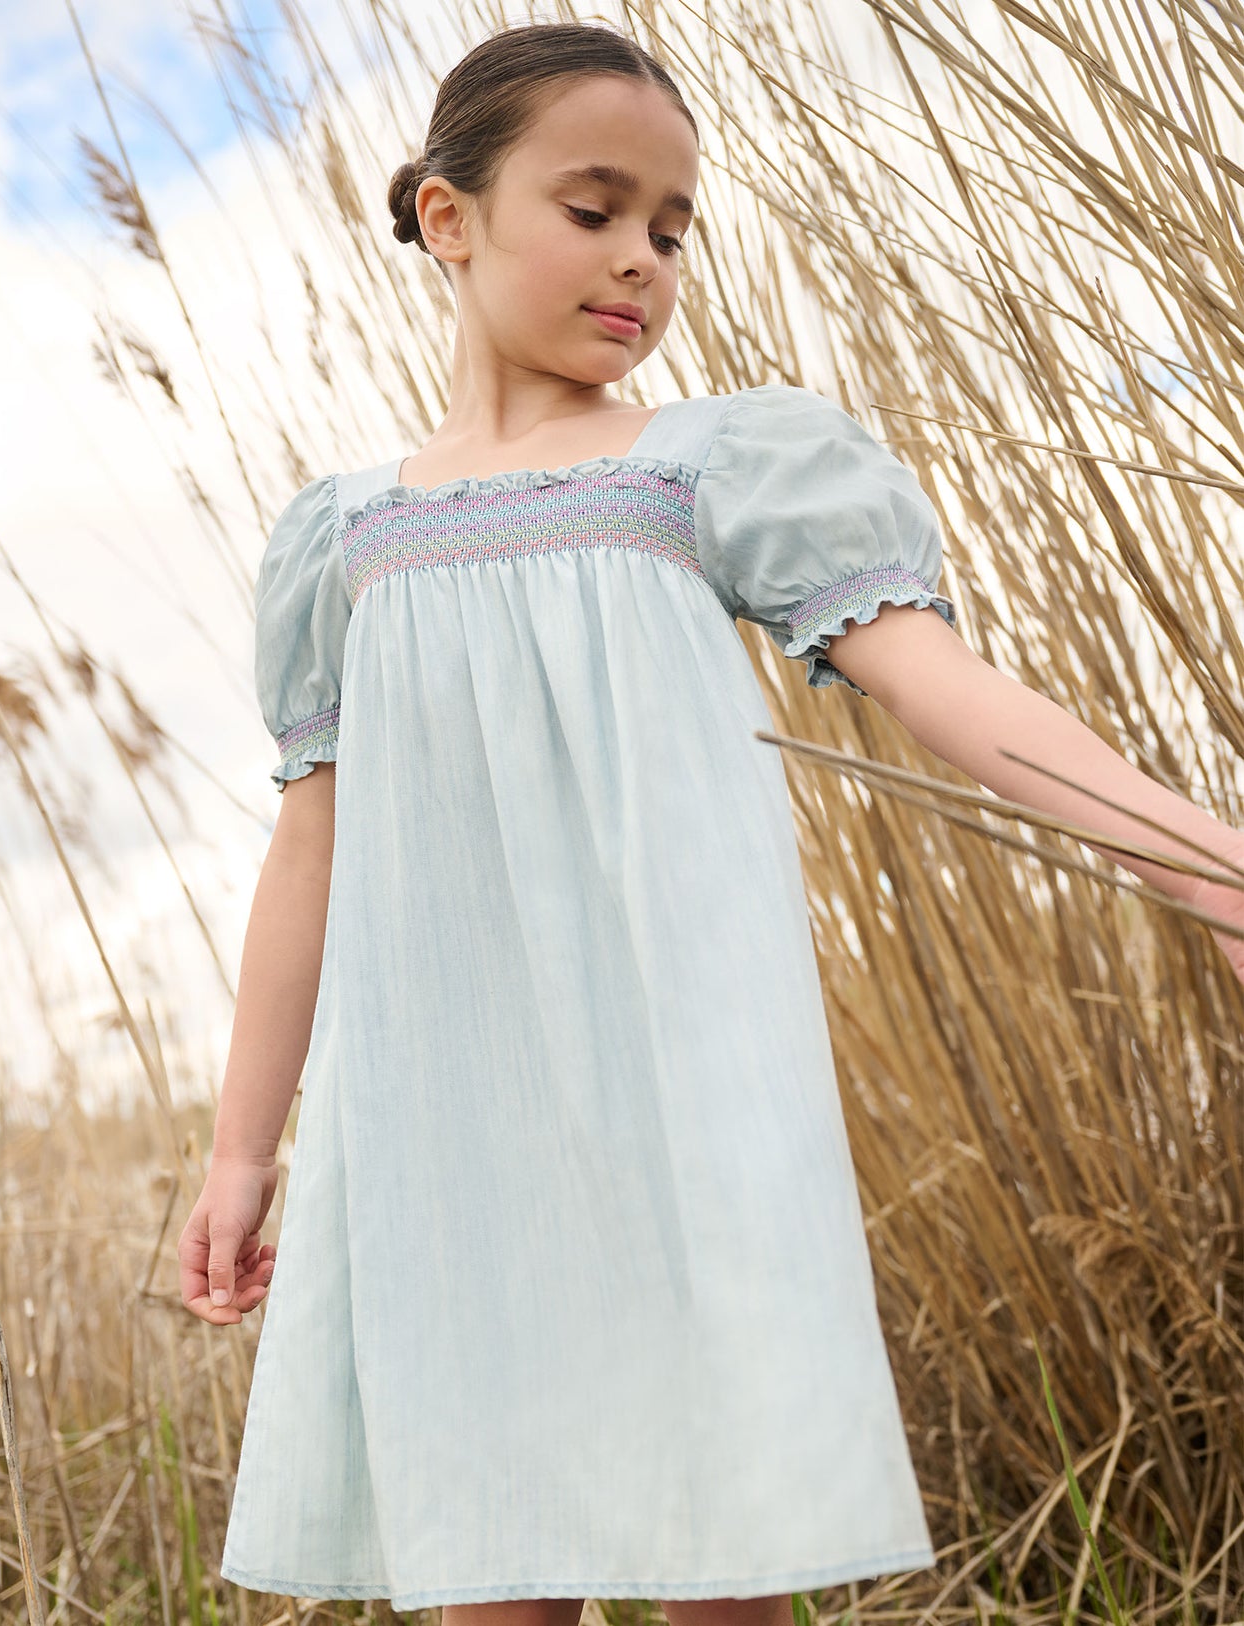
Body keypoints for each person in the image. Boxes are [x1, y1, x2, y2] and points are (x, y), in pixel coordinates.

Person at [177, 20, 1244, 1626]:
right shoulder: (347, 535)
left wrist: (1208, 861)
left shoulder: (712, 466)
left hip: (687, 1089)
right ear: (446, 217)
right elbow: (309, 851)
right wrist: (242, 1148)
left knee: (716, 1550)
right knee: (487, 1551)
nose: (641, 260)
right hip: (440, 1118)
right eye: (594, 208)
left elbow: (960, 701)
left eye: (672, 227)